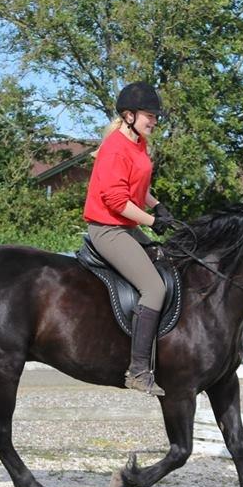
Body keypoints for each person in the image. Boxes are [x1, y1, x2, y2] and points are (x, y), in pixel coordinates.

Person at [83, 82, 175, 396]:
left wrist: (157, 205)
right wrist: (153, 222)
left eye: (155, 116)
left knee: (170, 261)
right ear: (129, 115)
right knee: (153, 287)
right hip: (107, 229)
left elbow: (138, 189)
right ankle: (137, 371)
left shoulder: (138, 144)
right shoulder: (114, 148)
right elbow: (116, 201)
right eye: (149, 115)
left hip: (126, 227)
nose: (154, 121)